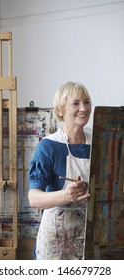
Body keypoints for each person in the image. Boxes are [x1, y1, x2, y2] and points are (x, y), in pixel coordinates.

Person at [28, 81, 92, 260]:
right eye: (76, 103)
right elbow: (34, 198)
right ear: (60, 110)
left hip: (90, 234)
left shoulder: (100, 140)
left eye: (87, 102)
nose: (83, 108)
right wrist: (66, 196)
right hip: (56, 237)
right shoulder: (48, 146)